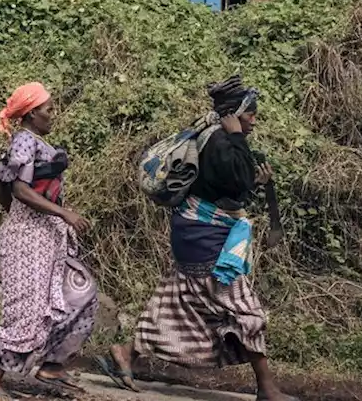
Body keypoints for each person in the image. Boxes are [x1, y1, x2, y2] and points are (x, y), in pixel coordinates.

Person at [101, 76, 296, 401]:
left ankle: (126, 352)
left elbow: (229, 188)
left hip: (191, 233)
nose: (254, 120)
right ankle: (266, 388)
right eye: (251, 113)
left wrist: (253, 177)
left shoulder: (210, 136)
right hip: (207, 239)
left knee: (179, 300)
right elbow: (235, 181)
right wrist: (237, 140)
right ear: (235, 113)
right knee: (246, 310)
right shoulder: (222, 140)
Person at [0, 83, 96, 401]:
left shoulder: (33, 142)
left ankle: (52, 365)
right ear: (31, 114)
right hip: (28, 240)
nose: (52, 115)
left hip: (46, 237)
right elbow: (18, 190)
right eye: (48, 109)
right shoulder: (25, 140)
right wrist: (61, 213)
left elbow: (1, 182)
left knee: (79, 293)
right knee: (27, 309)